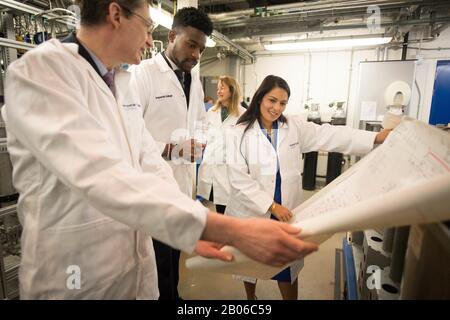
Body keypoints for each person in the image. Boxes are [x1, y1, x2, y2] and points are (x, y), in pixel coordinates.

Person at [1, 2, 318, 299]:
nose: (150, 38)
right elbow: (98, 174)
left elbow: (149, 161)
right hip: (72, 269)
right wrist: (226, 228)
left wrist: (193, 221)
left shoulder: (120, 81)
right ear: (116, 15)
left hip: (126, 261)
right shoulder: (42, 72)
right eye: (148, 26)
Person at [225, 75, 391, 300]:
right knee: (249, 264)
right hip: (254, 210)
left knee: (286, 267)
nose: (276, 108)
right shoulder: (239, 132)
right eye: (271, 101)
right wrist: (271, 206)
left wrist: (376, 137)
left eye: (282, 103)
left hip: (286, 211)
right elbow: (238, 180)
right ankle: (251, 297)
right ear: (260, 97)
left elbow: (329, 134)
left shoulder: (293, 126)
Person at [131, 7, 213, 300]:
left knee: (174, 257)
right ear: (172, 35)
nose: (196, 55)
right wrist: (170, 148)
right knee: (156, 262)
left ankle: (174, 296)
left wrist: (199, 143)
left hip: (182, 185)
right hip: (153, 190)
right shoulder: (143, 75)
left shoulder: (194, 79)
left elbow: (201, 121)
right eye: (191, 44)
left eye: (201, 49)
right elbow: (129, 132)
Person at [198, 76, 246, 214]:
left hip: (231, 170)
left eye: (222, 87)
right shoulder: (211, 111)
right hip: (211, 167)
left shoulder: (243, 114)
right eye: (218, 88)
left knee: (232, 208)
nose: (218, 91)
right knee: (219, 206)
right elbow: (203, 132)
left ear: (232, 90)